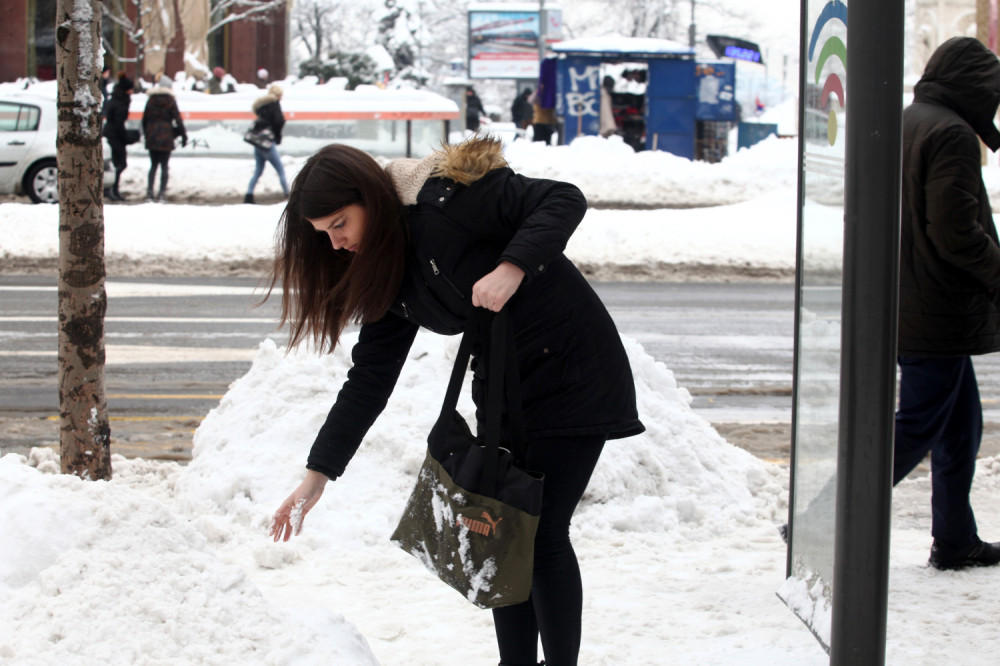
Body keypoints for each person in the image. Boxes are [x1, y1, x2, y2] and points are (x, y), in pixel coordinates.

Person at [266, 136, 644, 665]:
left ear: (369, 199)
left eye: (339, 226)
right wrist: (318, 474)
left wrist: (512, 266)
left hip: (573, 369)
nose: (336, 244)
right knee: (508, 531)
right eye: (324, 235)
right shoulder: (387, 270)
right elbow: (370, 380)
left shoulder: (449, 201)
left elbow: (562, 198)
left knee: (542, 535)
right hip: (505, 385)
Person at [896, 35, 1000, 571]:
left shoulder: (915, 119)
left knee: (961, 429)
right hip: (937, 308)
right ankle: (819, 519)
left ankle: (956, 540)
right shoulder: (952, 133)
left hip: (919, 299)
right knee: (914, 427)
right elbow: (956, 230)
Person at [141, 74, 187, 202]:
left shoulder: (151, 100)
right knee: (164, 166)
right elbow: (178, 119)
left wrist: (147, 133)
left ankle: (150, 193)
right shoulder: (170, 101)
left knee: (153, 165)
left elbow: (144, 119)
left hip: (152, 135)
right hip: (166, 135)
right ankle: (162, 194)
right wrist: (183, 135)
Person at [244, 84, 289, 204]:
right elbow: (279, 121)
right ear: (278, 95)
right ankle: (288, 195)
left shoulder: (262, 106)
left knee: (258, 170)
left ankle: (248, 195)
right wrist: (278, 137)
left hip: (257, 143)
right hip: (267, 143)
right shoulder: (275, 105)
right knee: (280, 169)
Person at [102, 72, 139, 202]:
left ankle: (112, 189)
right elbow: (118, 123)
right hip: (115, 136)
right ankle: (111, 189)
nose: (132, 91)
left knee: (117, 163)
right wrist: (126, 138)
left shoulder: (117, 99)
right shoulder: (121, 102)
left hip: (111, 134)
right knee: (119, 164)